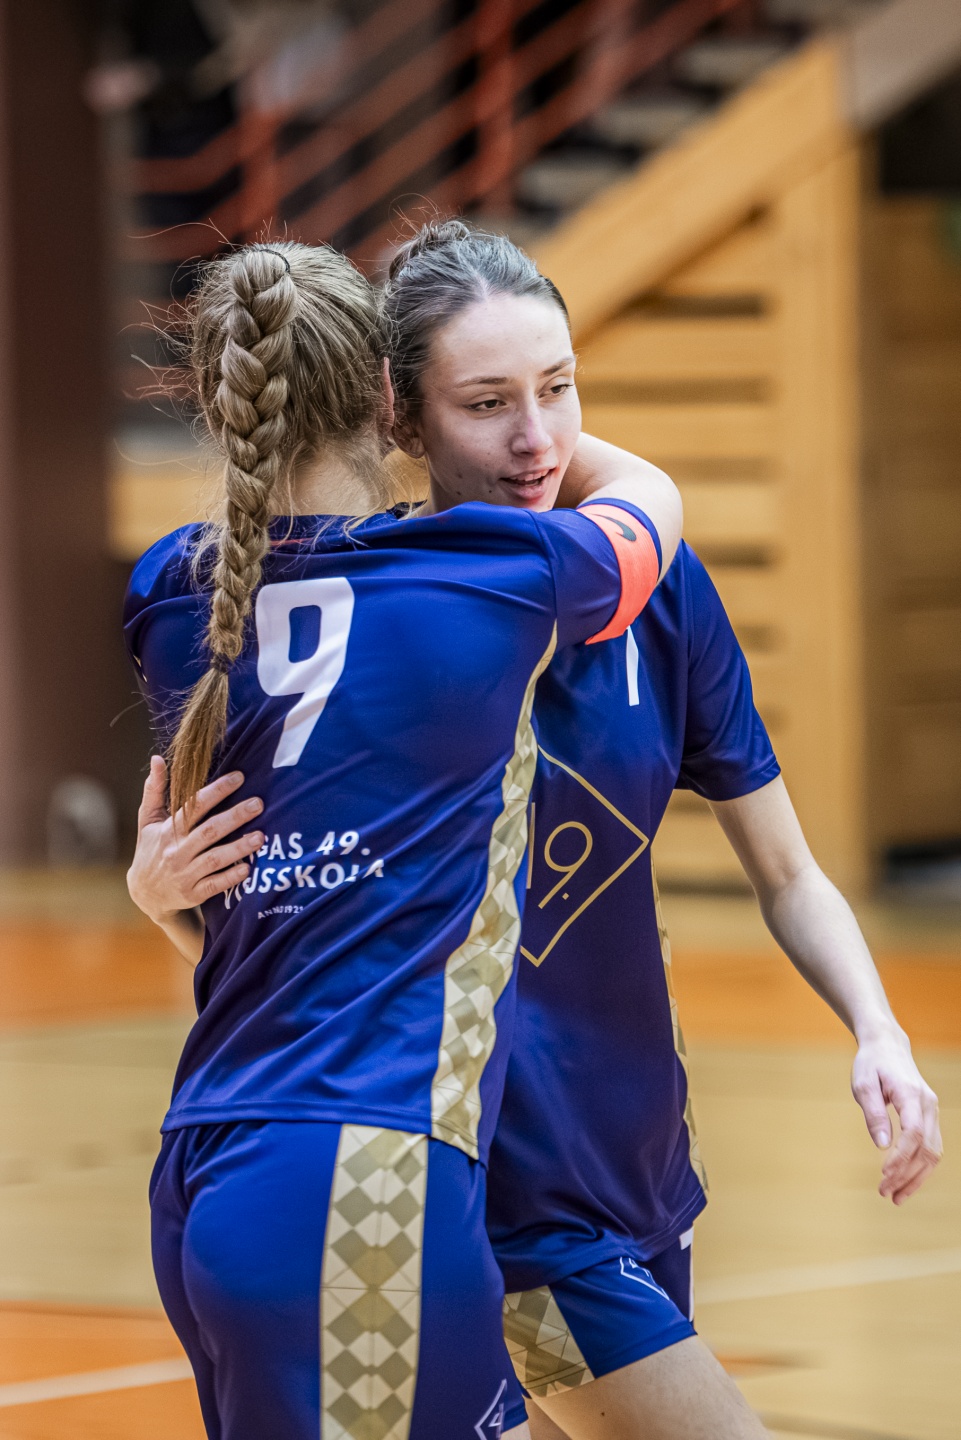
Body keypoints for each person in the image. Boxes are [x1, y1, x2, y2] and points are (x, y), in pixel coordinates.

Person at [129, 225, 941, 1440]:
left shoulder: (654, 596)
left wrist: (877, 1027)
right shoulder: (451, 592)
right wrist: (164, 902)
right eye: (486, 402)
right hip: (483, 1189)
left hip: (631, 1167)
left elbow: (788, 871)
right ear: (396, 413)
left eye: (560, 387)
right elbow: (294, 939)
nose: (535, 439)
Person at [123, 237, 681, 1440]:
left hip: (208, 1159)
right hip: (364, 1179)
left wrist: (152, 897)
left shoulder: (169, 596)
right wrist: (548, 417)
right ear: (390, 399)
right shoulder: (493, 576)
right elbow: (650, 514)